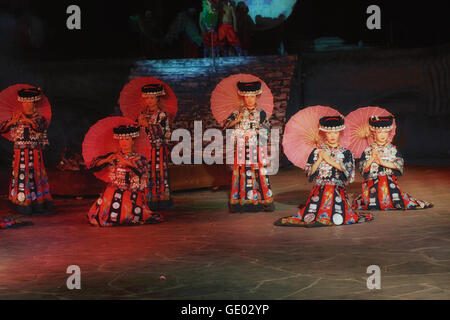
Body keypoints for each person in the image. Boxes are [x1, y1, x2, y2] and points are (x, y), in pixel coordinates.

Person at [275, 116, 373, 227]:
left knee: (337, 211)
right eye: (329, 133)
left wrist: (328, 160)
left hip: (337, 189)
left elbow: (348, 172)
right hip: (319, 189)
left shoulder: (346, 153)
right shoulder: (317, 152)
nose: (332, 136)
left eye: (335, 133)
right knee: (312, 213)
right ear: (324, 133)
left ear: (340, 133)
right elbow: (309, 172)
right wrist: (320, 159)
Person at [87, 124, 163, 227]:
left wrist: (128, 163)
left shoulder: (139, 158)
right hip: (114, 188)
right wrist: (105, 160)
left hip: (131, 191)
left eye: (127, 140)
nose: (124, 143)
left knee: (127, 209)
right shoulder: (114, 155)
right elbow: (93, 166)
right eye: (121, 140)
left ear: (133, 141)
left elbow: (143, 171)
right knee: (109, 195)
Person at [352, 115, 433, 210]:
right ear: (374, 133)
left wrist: (382, 162)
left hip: (389, 182)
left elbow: (399, 164)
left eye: (385, 132)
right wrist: (371, 158)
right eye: (379, 132)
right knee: (371, 201)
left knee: (395, 198)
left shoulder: (393, 149)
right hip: (372, 183)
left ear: (389, 133)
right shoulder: (368, 151)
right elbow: (363, 169)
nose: (382, 135)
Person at [0, 87, 52, 214]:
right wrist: (13, 121)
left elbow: (39, 128)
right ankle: (21, 201)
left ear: (34, 103)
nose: (27, 105)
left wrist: (26, 119)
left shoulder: (39, 118)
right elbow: (2, 128)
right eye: (25, 103)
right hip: (20, 153)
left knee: (34, 175)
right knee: (21, 176)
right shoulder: (16, 117)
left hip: (34, 152)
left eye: (30, 102)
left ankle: (37, 202)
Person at [224, 80, 274, 213]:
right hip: (242, 148)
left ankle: (262, 201)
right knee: (242, 173)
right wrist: (237, 120)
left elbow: (267, 129)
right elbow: (225, 126)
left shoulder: (261, 113)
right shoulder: (237, 113)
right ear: (243, 97)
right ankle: (244, 201)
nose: (249, 99)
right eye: (247, 97)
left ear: (256, 97)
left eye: (252, 96)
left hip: (256, 149)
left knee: (258, 173)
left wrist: (255, 132)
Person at [136, 84, 173, 211]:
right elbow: (138, 133)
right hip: (145, 149)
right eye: (147, 98)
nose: (149, 101)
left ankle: (160, 200)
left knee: (158, 173)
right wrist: (139, 125)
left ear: (158, 98)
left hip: (157, 148)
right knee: (146, 173)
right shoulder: (142, 114)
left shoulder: (162, 115)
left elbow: (165, 133)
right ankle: (147, 199)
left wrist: (148, 125)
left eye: (152, 98)